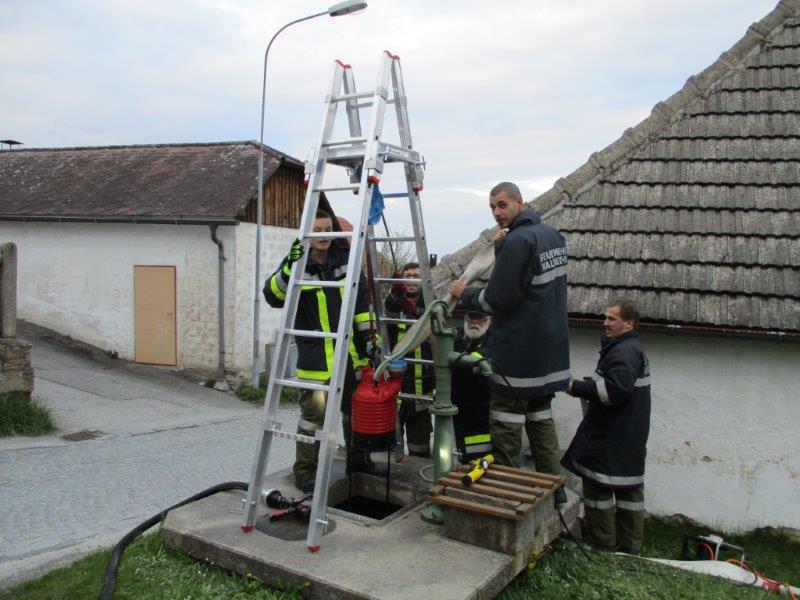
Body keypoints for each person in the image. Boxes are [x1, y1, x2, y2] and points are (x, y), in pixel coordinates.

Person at [448, 181, 570, 503]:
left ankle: (507, 498)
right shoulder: (551, 235)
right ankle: (556, 497)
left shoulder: (518, 241)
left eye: (502, 205)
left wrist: (467, 294)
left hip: (518, 358)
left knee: (506, 425)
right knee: (542, 423)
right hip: (550, 357)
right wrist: (502, 249)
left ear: (519, 202)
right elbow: (530, 283)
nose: (497, 213)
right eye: (492, 207)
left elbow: (500, 299)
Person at [263, 209, 374, 493]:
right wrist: (290, 265)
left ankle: (358, 461)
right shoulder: (297, 264)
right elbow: (273, 296)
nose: (324, 236)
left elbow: (362, 305)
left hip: (349, 358)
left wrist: (369, 344)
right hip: (316, 362)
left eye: (328, 230)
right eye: (319, 231)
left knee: (354, 414)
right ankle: (305, 473)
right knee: (313, 421)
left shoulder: (345, 262)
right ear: (308, 235)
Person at [562, 299, 651, 554]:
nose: (605, 323)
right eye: (606, 317)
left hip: (611, 438)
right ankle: (631, 546)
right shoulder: (631, 349)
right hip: (628, 437)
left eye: (612, 319)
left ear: (629, 323)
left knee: (598, 487)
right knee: (629, 493)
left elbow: (616, 390)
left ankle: (603, 544)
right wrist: (590, 383)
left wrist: (576, 387)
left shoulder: (624, 352)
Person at [384, 262, 434, 457]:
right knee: (389, 444)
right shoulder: (394, 300)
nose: (412, 280)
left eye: (416, 276)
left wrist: (419, 313)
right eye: (408, 276)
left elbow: (437, 323)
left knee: (419, 447)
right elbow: (389, 312)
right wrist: (395, 295)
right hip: (394, 385)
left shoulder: (431, 301)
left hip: (420, 387)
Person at [451, 309, 492, 462]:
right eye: (471, 318)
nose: (475, 322)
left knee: (479, 460)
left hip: (480, 416)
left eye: (480, 319)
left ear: (488, 320)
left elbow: (472, 362)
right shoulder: (458, 336)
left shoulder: (493, 341)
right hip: (457, 413)